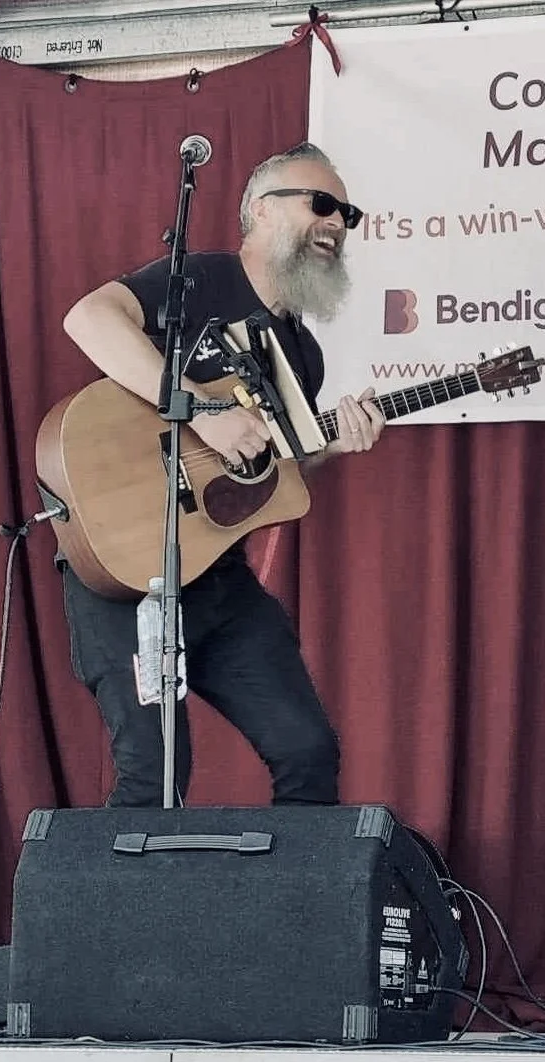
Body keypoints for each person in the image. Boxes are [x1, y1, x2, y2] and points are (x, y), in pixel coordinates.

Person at [60, 142, 386, 808]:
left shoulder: (302, 354)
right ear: (261, 211)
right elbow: (88, 318)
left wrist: (330, 444)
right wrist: (203, 410)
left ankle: (296, 880)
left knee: (306, 749)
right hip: (128, 569)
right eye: (322, 204)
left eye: (347, 215)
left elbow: (268, 471)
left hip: (216, 574)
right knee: (154, 775)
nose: (336, 223)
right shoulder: (201, 281)